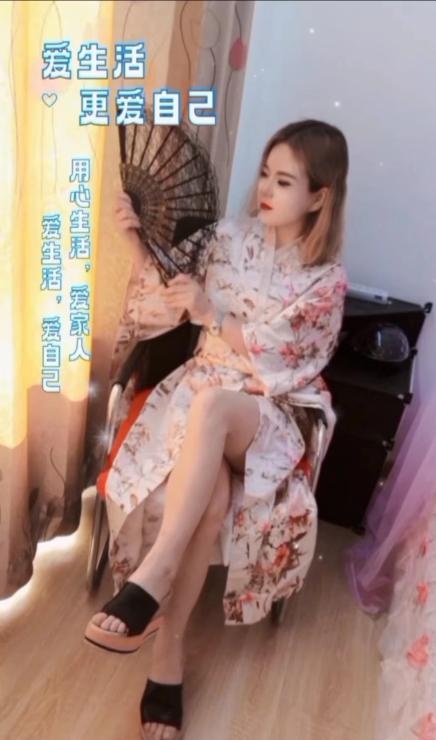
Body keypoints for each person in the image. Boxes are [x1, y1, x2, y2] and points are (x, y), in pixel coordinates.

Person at [84, 119, 349, 740]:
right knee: (209, 500)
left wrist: (214, 315)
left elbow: (286, 362)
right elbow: (164, 300)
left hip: (269, 409)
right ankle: (167, 659)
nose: (266, 189)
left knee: (215, 408)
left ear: (319, 196)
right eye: (265, 174)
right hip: (201, 391)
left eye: (285, 181)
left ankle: (154, 574)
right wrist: (134, 243)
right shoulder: (227, 237)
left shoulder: (326, 280)